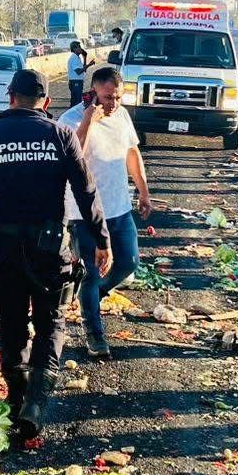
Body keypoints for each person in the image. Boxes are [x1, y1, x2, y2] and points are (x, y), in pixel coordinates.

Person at [0, 69, 110, 440]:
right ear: (46, 102)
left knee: (11, 323)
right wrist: (102, 238)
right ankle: (34, 404)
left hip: (4, 249)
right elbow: (86, 191)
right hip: (49, 250)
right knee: (51, 323)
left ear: (10, 96)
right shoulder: (60, 135)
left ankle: (17, 396)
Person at [61, 66, 152, 360]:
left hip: (118, 206)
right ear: (92, 93)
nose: (113, 103)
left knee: (128, 262)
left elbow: (131, 153)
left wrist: (143, 191)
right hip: (83, 212)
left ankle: (92, 296)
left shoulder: (122, 115)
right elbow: (72, 158)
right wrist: (89, 119)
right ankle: (95, 335)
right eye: (107, 97)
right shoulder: (70, 120)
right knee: (91, 271)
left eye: (118, 97)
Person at [66, 40, 90, 107]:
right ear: (74, 49)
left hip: (77, 81)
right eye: (79, 47)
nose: (81, 48)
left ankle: (72, 113)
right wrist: (89, 65)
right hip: (75, 82)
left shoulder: (77, 57)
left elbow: (84, 70)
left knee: (76, 101)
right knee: (77, 102)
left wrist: (85, 58)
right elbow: (78, 71)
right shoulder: (74, 57)